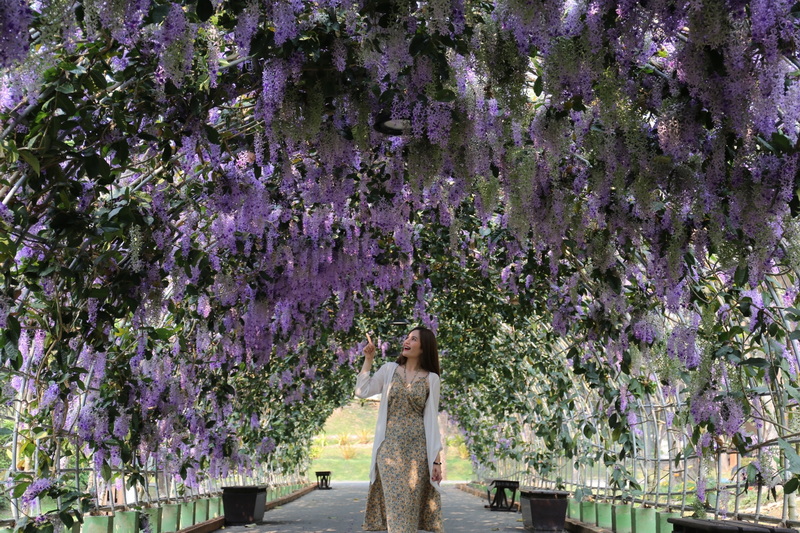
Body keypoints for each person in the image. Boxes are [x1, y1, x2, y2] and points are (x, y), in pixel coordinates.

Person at [355, 327, 444, 533]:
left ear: (423, 348)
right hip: (389, 450)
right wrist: (368, 360)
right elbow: (362, 391)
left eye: (413, 339)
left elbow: (431, 419)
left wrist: (436, 460)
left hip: (418, 453)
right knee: (396, 507)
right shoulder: (389, 370)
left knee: (410, 508)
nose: (407, 341)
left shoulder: (431, 379)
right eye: (407, 337)